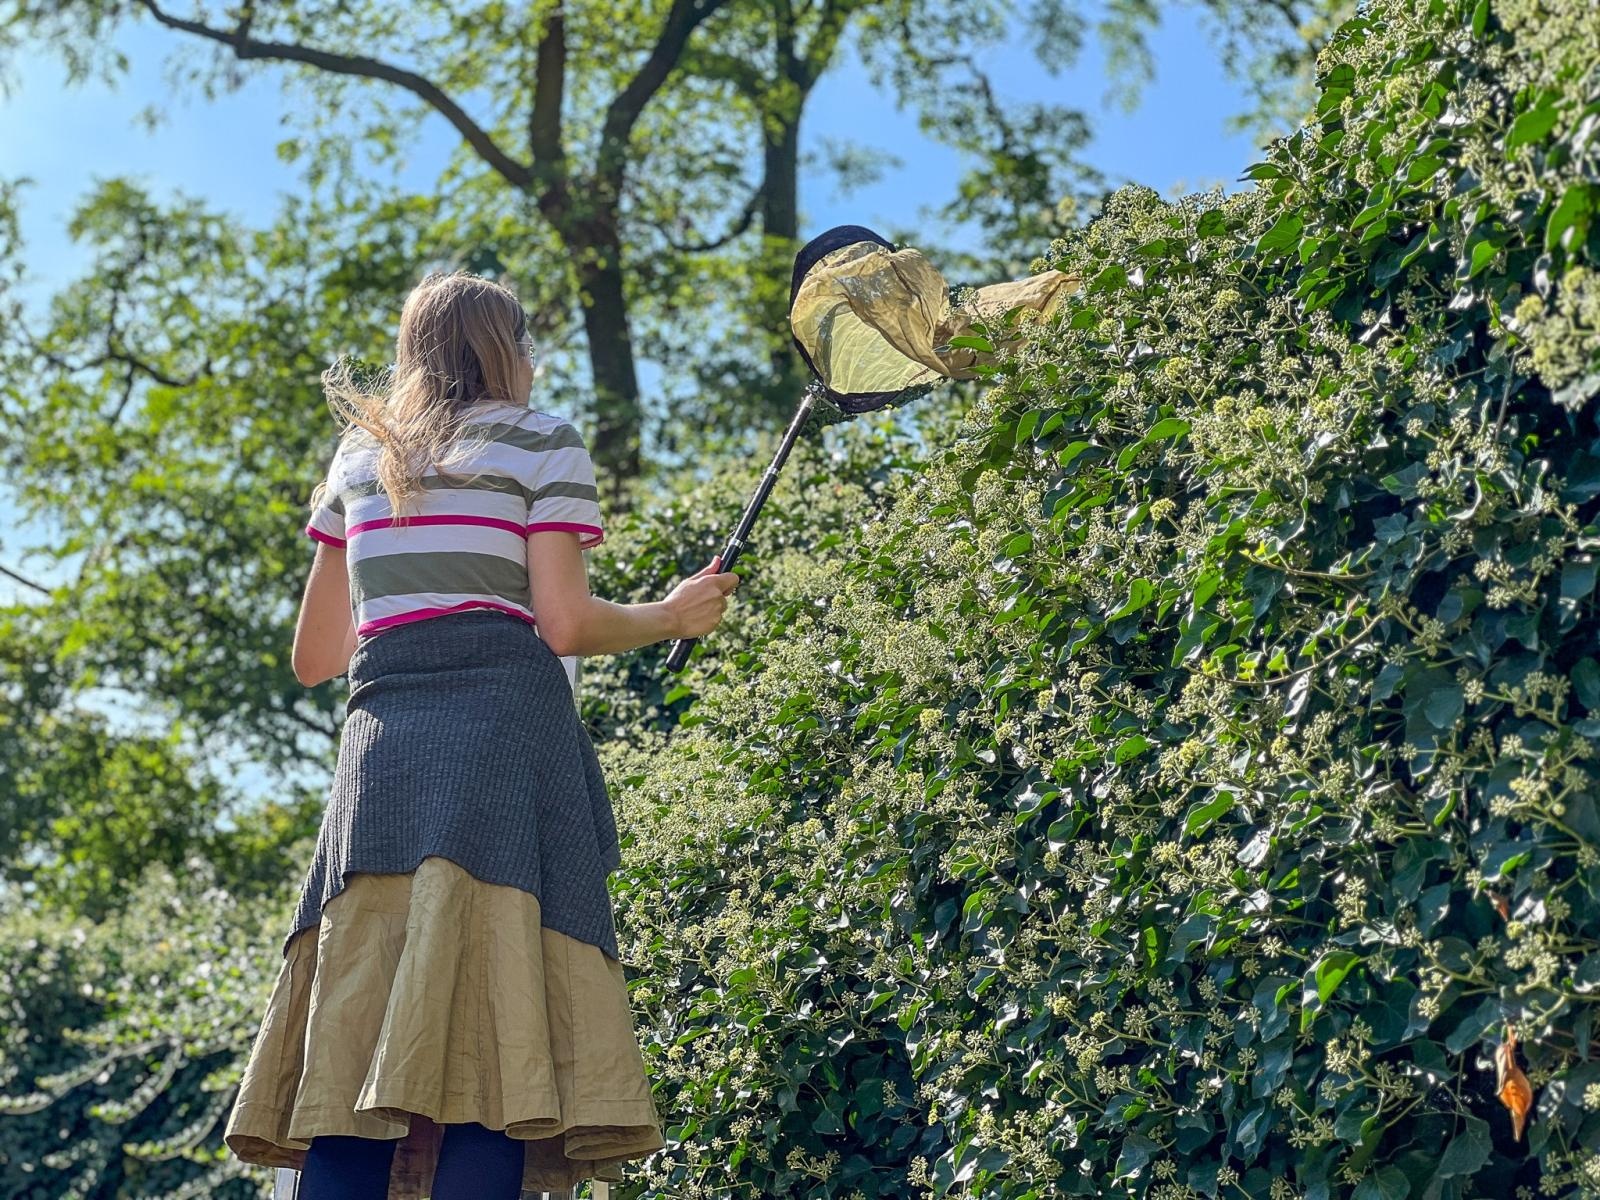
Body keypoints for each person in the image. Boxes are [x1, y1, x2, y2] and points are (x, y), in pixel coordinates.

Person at [222, 269, 740, 1200]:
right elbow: (567, 626)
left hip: (380, 763)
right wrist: (670, 614)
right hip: (504, 752)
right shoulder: (541, 442)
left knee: (350, 1055)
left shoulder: (359, 459)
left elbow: (313, 657)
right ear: (510, 350)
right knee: (493, 1062)